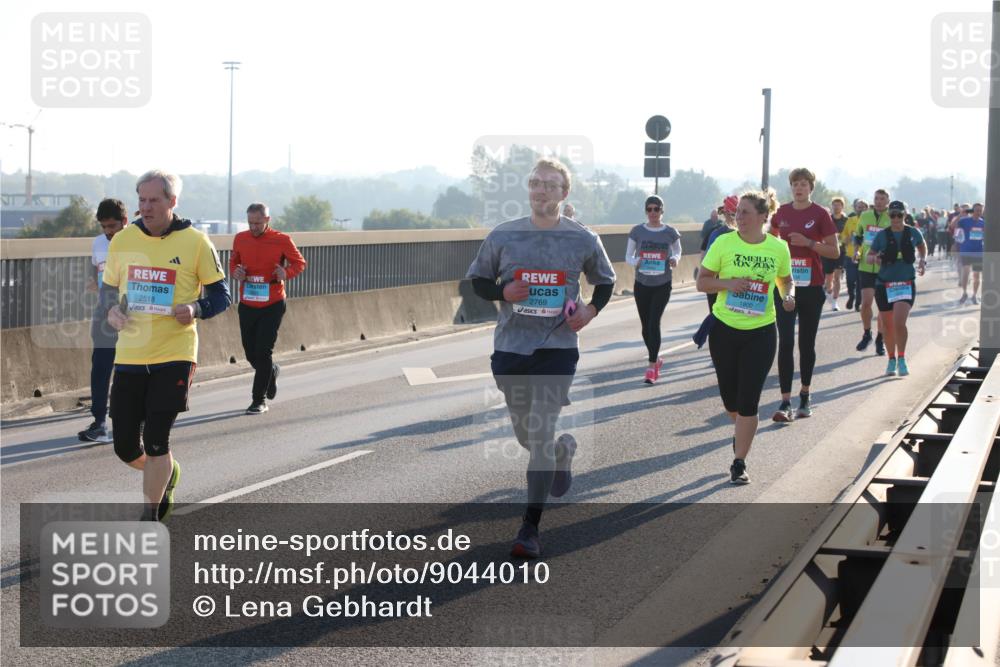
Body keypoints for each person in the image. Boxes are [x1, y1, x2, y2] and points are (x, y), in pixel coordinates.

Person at [466, 158, 615, 557]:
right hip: (511, 348)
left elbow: (605, 281)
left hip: (557, 349)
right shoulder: (504, 234)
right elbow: (478, 280)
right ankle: (561, 453)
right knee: (526, 436)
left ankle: (529, 528)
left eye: (550, 184)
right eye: (535, 183)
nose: (541, 190)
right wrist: (503, 292)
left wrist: (589, 311)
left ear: (564, 193)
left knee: (541, 431)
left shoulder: (583, 238)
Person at [102, 170, 231, 521]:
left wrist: (195, 309)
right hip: (131, 354)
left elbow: (221, 296)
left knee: (157, 439)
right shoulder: (122, 240)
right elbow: (109, 291)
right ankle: (167, 472)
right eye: (141, 200)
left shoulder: (196, 242)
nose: (146, 207)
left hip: (175, 353)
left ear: (172, 201)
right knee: (125, 447)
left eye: (154, 200)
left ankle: (150, 515)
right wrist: (111, 311)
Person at [698, 188, 792, 484]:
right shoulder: (723, 242)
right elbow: (702, 282)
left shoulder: (778, 248)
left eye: (746, 213)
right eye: (737, 212)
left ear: (763, 216)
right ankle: (741, 430)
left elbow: (786, 281)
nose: (739, 217)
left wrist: (788, 296)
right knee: (731, 401)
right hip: (725, 330)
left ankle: (739, 462)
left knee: (749, 400)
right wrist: (729, 283)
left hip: (761, 332)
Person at [767, 168, 839, 422]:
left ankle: (805, 395)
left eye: (803, 184)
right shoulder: (781, 213)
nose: (799, 188)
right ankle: (785, 401)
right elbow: (769, 243)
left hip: (811, 286)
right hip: (784, 285)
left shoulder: (820, 214)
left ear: (811, 188)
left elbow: (834, 251)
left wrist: (808, 243)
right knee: (785, 342)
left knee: (806, 344)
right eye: (795, 184)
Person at [231, 202, 307, 414]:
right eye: (250, 223)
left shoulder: (282, 240)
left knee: (263, 351)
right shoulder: (240, 238)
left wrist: (286, 273)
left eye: (258, 223)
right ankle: (271, 371)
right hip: (247, 302)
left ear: (267, 220)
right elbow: (234, 263)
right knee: (250, 353)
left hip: (272, 303)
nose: (253, 227)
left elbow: (299, 263)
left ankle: (259, 400)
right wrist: (236, 272)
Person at [78, 199, 130, 442]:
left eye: (112, 226)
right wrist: (93, 282)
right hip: (103, 311)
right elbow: (95, 270)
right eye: (104, 226)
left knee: (128, 371)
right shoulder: (98, 242)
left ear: (124, 221)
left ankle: (131, 421)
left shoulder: (137, 240)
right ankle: (99, 423)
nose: (108, 231)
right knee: (100, 367)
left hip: (130, 313)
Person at [626, 195, 682, 383]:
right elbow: (628, 256)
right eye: (649, 209)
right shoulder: (637, 231)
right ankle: (656, 359)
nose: (653, 213)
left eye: (656, 209)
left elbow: (677, 251)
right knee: (645, 327)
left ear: (662, 211)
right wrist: (635, 261)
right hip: (642, 283)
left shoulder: (670, 232)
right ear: (645, 211)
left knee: (653, 323)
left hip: (662, 283)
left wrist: (674, 259)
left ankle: (651, 367)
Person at [868, 200, 927, 376]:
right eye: (892, 215)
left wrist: (923, 260)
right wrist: (875, 258)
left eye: (899, 215)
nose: (895, 218)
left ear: (905, 215)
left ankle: (901, 358)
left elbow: (922, 245)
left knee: (899, 323)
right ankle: (891, 359)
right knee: (888, 326)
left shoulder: (913, 232)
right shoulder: (882, 235)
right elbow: (870, 255)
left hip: (905, 283)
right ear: (889, 216)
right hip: (884, 284)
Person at [853, 189, 893, 356]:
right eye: (876, 198)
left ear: (888, 201)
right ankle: (867, 333)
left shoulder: (893, 217)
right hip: (866, 265)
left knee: (883, 307)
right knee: (866, 303)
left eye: (882, 198)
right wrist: (857, 252)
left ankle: (880, 339)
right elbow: (858, 236)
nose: (878, 201)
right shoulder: (865, 215)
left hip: (884, 267)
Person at [700, 195, 738, 312]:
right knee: (715, 316)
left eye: (737, 213)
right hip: (718, 283)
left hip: (741, 286)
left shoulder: (752, 235)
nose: (736, 218)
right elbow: (706, 261)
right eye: (732, 214)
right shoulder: (716, 234)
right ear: (724, 213)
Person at [956, 203, 985, 305]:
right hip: (966, 250)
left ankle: (974, 296)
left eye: (980, 210)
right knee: (966, 272)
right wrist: (960, 214)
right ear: (973, 211)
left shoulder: (983, 223)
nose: (978, 212)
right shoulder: (964, 221)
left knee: (977, 275)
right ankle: (964, 293)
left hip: (978, 251)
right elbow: (953, 225)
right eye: (977, 210)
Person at [841, 198, 868, 311]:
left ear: (866, 209)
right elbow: (844, 235)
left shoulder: (869, 221)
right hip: (851, 255)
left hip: (864, 256)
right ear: (855, 208)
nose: (860, 209)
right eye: (858, 207)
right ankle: (851, 296)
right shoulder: (850, 220)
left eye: (862, 207)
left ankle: (858, 303)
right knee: (850, 280)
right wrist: (846, 239)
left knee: (860, 281)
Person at [823, 196, 849, 311]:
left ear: (842, 206)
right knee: (829, 278)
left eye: (838, 205)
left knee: (837, 277)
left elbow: (850, 235)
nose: (836, 207)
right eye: (834, 205)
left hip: (841, 252)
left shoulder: (846, 220)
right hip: (828, 250)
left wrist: (844, 240)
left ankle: (834, 301)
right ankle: (829, 292)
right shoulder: (827, 219)